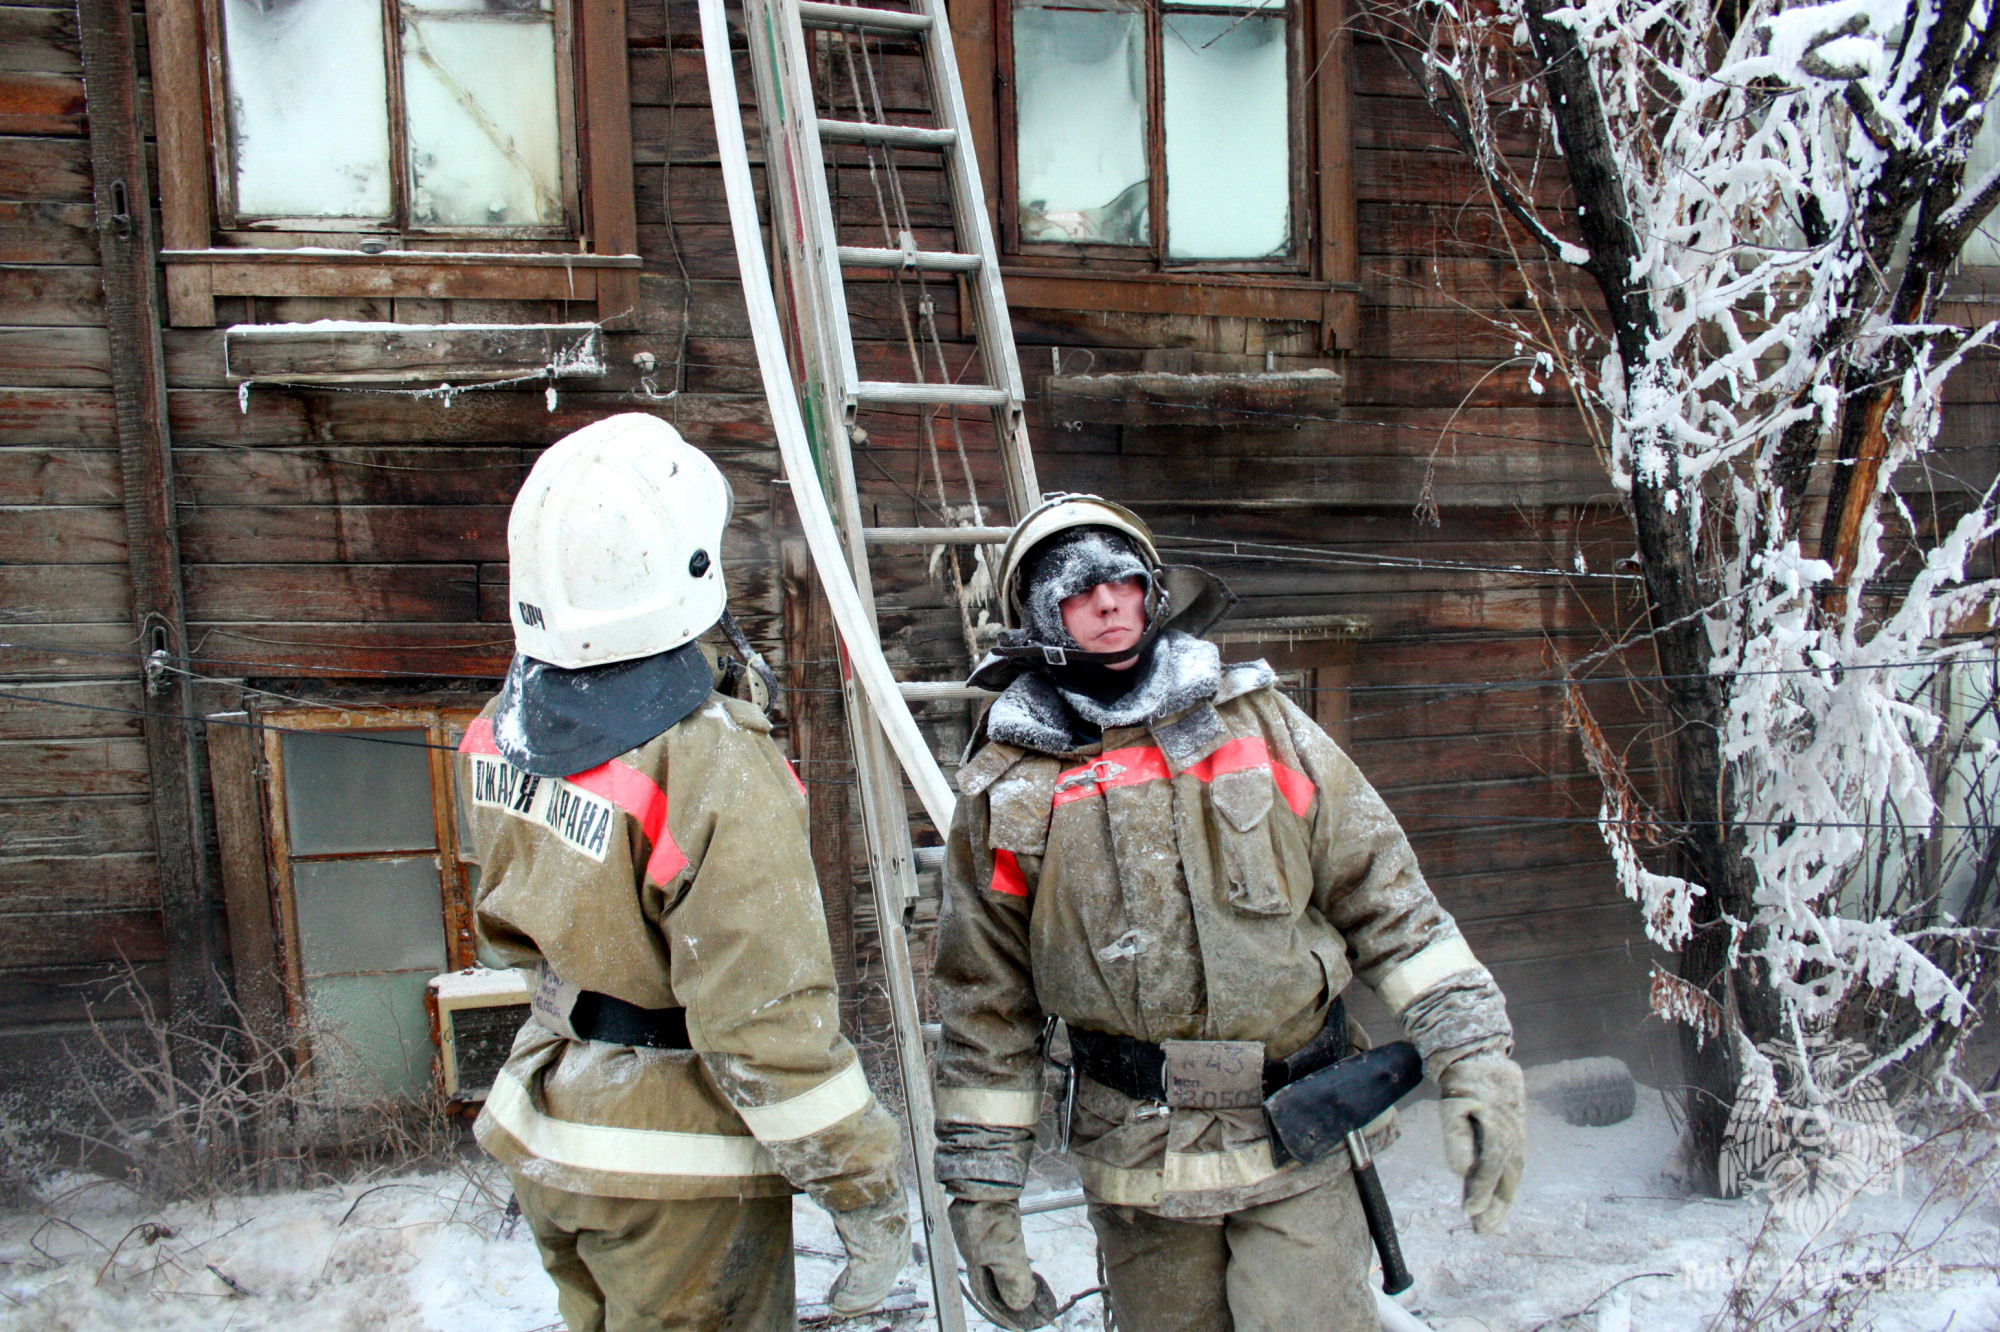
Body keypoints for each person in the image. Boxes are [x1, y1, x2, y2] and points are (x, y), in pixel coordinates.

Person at [931, 495, 1528, 1332]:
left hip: (1302, 1132)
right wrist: (985, 1196)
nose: (1107, 602)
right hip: (1142, 1159)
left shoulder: (1262, 728)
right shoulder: (1011, 789)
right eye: (1075, 589)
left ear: (1153, 592)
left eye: (1122, 580)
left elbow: (1386, 896)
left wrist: (1474, 1055)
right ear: (1038, 616)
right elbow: (985, 1003)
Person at [459, 413, 909, 1332]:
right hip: (677, 1172)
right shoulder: (708, 762)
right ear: (687, 565)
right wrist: (861, 1185)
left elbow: (512, 934)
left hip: (556, 1126)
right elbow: (764, 1018)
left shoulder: (499, 727)